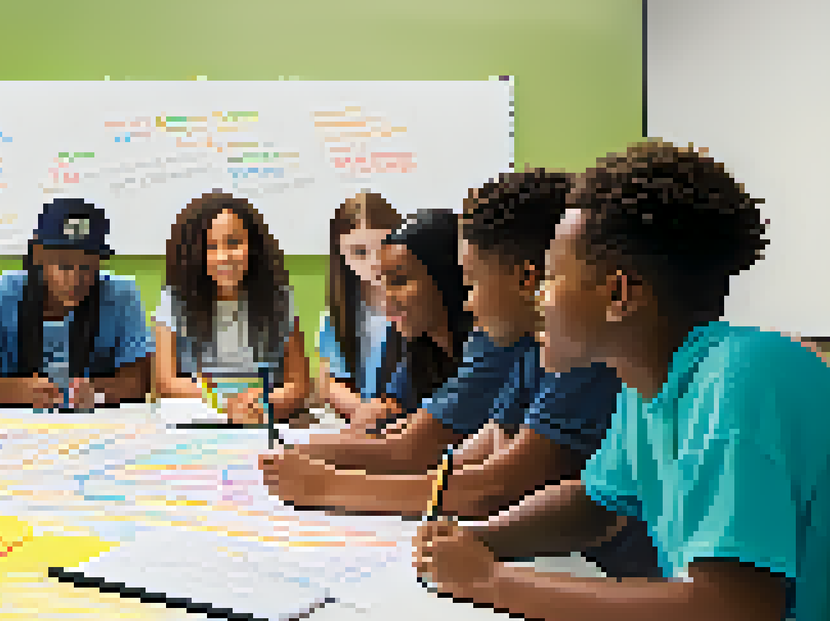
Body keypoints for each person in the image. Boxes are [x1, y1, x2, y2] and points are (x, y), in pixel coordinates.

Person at [416, 140, 830, 621]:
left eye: (551, 277)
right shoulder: (652, 383)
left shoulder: (740, 380)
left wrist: (491, 580)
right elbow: (597, 505)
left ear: (619, 294)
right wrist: (480, 540)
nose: (537, 298)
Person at [261, 171, 652, 580]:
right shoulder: (535, 353)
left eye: (472, 284)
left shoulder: (591, 363)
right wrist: (480, 541)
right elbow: (481, 461)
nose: (468, 303)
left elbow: (488, 485)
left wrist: (327, 486)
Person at [291, 209, 474, 475]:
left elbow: (412, 447)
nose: (387, 300)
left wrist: (304, 452)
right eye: (383, 282)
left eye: (399, 282)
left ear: (447, 279)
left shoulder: (483, 349)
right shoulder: (419, 347)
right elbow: (382, 412)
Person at [0, 198, 152, 409]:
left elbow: (138, 382)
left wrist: (96, 394)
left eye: (87, 268)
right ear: (39, 258)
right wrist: (15, 391)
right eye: (64, 266)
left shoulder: (122, 298)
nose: (76, 280)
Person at [152, 190, 309, 424]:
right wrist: (225, 403)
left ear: (254, 247)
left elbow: (298, 385)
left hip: (262, 416)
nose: (224, 256)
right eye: (211, 247)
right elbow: (165, 381)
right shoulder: (175, 299)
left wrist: (267, 402)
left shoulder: (280, 300)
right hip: (200, 417)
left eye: (234, 243)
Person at [315, 191, 406, 432]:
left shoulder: (417, 304)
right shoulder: (339, 314)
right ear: (341, 255)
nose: (374, 261)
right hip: (360, 424)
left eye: (383, 247)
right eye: (359, 252)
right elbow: (330, 383)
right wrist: (363, 411)